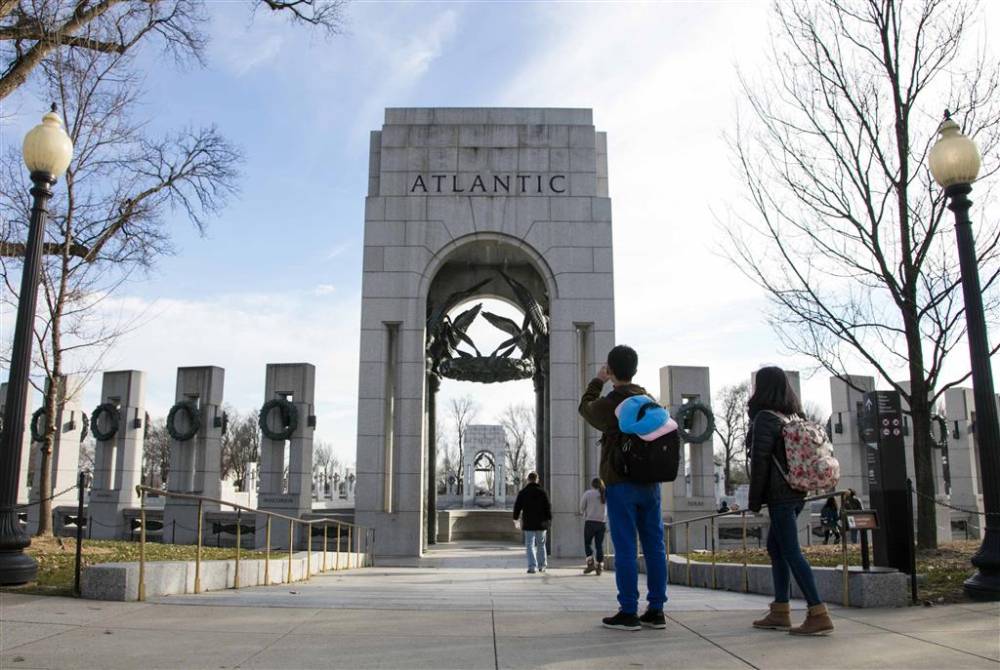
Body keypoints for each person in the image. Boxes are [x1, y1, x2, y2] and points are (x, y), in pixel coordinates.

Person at [579, 344, 667, 632]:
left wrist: (598, 380)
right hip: (651, 483)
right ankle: (656, 610)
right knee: (655, 546)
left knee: (626, 546)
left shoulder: (612, 403)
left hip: (620, 483)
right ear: (636, 369)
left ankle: (628, 610)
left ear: (612, 370)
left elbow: (585, 407)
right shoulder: (649, 400)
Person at [748, 366, 834, 636]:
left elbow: (761, 461)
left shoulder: (765, 418)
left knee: (792, 553)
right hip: (797, 493)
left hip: (780, 496)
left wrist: (754, 500)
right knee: (776, 548)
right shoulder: (794, 416)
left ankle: (817, 611)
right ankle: (780, 610)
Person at [513, 472, 552, 574]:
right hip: (541, 523)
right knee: (541, 544)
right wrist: (549, 520)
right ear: (537, 479)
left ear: (528, 479)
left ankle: (532, 567)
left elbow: (517, 507)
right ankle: (542, 565)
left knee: (529, 545)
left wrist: (515, 518)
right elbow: (548, 507)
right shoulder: (543, 492)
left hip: (529, 522)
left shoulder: (523, 492)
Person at [581, 478, 607, 575]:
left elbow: (582, 507)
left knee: (587, 543)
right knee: (599, 545)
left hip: (590, 522)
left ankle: (590, 563)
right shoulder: (604, 494)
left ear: (592, 484)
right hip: (601, 523)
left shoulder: (588, 494)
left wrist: (585, 513)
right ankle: (600, 565)